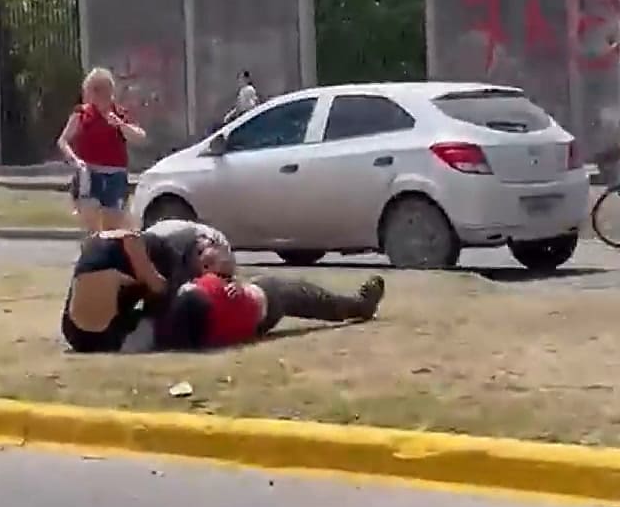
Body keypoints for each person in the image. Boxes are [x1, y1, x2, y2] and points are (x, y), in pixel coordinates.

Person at [60, 219, 230, 354]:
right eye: (206, 266)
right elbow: (158, 288)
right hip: (99, 336)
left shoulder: (118, 244)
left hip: (76, 331)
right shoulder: (163, 254)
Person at [159, 270, 385, 351]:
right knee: (321, 300)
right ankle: (362, 305)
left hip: (261, 317)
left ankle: (357, 306)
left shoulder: (204, 336)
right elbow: (222, 272)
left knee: (321, 302)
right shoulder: (212, 291)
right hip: (270, 295)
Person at [57, 67, 147, 233]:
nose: (97, 96)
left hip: (115, 175)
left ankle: (107, 255)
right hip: (89, 174)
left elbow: (140, 136)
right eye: (93, 90)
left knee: (112, 229)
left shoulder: (118, 113)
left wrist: (120, 125)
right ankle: (92, 253)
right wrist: (75, 160)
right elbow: (63, 141)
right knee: (92, 224)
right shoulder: (81, 113)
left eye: (102, 90)